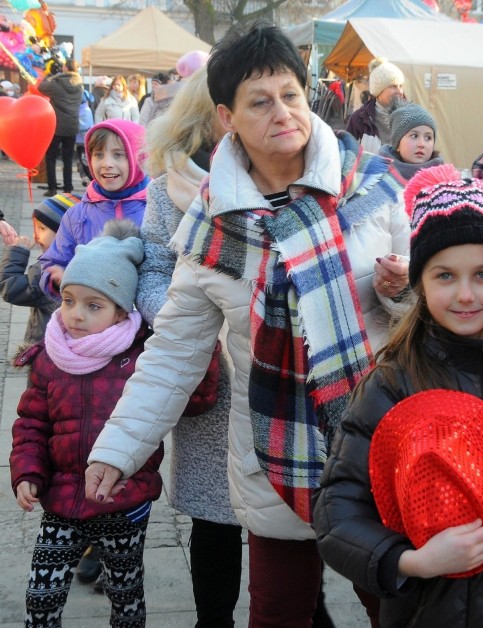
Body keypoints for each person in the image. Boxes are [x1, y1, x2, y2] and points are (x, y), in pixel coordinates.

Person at [84, 21, 410, 627]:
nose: (282, 112)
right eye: (260, 102)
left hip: (378, 439)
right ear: (227, 117)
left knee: (399, 608)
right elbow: (174, 352)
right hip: (273, 449)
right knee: (279, 613)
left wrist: (403, 291)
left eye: (290, 94)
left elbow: (426, 315)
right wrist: (120, 447)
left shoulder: (371, 187)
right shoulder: (210, 229)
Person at [314, 164, 483, 627]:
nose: (465, 295)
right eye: (444, 276)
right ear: (419, 282)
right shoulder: (395, 382)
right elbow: (336, 513)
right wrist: (414, 562)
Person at [10, 220, 163, 627]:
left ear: (120, 311)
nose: (75, 315)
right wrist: (27, 471)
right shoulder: (49, 356)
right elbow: (31, 423)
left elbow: (186, 404)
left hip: (123, 500)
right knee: (41, 600)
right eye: (68, 300)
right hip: (60, 499)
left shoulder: (142, 357)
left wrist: (203, 352)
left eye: (93, 305)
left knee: (126, 598)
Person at [138, 65, 244, 626]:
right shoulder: (167, 189)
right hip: (210, 375)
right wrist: (186, 324)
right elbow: (153, 270)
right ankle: (214, 619)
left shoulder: (285, 180)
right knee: (215, 518)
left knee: (295, 517)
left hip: (275, 368)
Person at [39, 119, 149, 299]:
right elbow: (52, 261)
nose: (107, 163)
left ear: (138, 157)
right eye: (98, 155)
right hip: (94, 318)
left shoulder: (155, 209)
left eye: (118, 154)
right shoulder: (77, 215)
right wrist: (56, 276)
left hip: (147, 318)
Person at [0, 193, 77, 343]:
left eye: (42, 228)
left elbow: (9, 288)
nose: (35, 236)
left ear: (64, 234)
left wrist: (18, 251)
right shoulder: (81, 260)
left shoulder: (48, 270)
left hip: (45, 346)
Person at [38, 57, 83, 196]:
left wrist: (51, 75)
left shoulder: (57, 82)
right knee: (68, 158)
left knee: (51, 156)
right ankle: (68, 188)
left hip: (56, 125)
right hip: (71, 125)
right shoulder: (79, 85)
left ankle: (52, 188)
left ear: (66, 68)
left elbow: (41, 87)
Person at [346, 57, 406, 153]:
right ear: (378, 91)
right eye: (393, 86)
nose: (399, 91)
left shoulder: (410, 117)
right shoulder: (359, 119)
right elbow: (348, 153)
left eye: (400, 86)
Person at [378, 102, 443, 181]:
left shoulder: (444, 180)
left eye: (428, 138)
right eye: (414, 136)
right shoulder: (377, 177)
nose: (422, 144)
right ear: (398, 144)